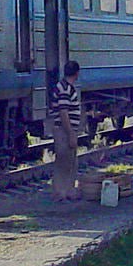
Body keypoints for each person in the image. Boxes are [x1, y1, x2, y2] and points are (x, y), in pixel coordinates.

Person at [50, 60, 82, 201]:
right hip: (64, 131)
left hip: (65, 130)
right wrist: (71, 134)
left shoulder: (64, 86)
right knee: (64, 161)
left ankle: (68, 191)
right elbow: (64, 112)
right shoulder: (65, 89)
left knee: (70, 161)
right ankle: (60, 192)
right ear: (77, 73)